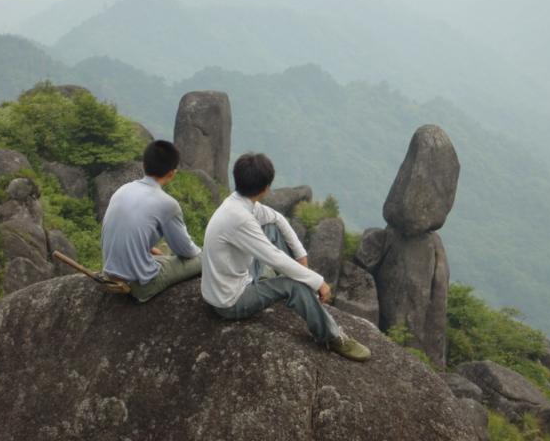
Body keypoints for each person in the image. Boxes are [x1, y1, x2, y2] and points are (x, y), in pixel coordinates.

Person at [201, 152, 371, 361]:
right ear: (265, 188)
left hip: (229, 283)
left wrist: (301, 257)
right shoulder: (240, 218)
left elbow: (276, 219)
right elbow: (275, 258)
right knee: (294, 285)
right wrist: (317, 282)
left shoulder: (237, 203)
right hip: (229, 302)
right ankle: (332, 336)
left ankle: (274, 282)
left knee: (271, 228)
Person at [101, 140, 202, 302]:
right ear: (172, 173)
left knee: (164, 253)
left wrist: (150, 250)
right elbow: (186, 251)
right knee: (202, 258)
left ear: (144, 165)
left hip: (110, 275)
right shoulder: (167, 204)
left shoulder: (122, 190)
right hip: (140, 284)